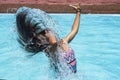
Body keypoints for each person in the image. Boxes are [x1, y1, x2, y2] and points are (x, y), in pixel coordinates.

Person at [16, 3, 81, 74]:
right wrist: (46, 32)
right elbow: (54, 43)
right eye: (49, 33)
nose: (53, 32)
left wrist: (78, 12)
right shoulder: (51, 51)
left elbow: (74, 30)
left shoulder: (64, 42)